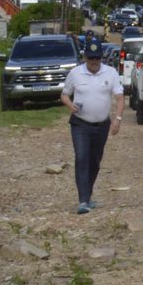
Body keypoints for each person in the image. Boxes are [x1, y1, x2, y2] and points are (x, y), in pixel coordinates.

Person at [59, 41, 123, 214]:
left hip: (102, 125)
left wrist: (117, 119)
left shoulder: (110, 72)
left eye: (97, 57)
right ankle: (83, 200)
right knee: (81, 157)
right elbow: (64, 95)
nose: (94, 61)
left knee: (94, 161)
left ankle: (88, 194)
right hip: (80, 124)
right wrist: (70, 105)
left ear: (101, 57)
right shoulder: (75, 73)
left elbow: (119, 97)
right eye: (91, 58)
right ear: (85, 57)